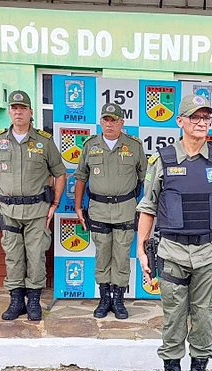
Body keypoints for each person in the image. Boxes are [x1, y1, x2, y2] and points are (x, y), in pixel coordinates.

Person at [136, 94, 212, 371]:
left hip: (209, 253)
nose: (202, 122)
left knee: (206, 319)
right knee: (173, 319)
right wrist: (141, 249)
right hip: (172, 253)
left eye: (206, 117)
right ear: (180, 121)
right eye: (195, 117)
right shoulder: (162, 161)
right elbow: (148, 207)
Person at [0, 90, 66, 321]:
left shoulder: (44, 142)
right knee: (13, 256)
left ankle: (34, 300)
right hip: (8, 211)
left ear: (30, 112)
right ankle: (16, 300)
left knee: (36, 256)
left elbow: (60, 173)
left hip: (37, 210)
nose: (18, 112)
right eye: (14, 108)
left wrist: (55, 203)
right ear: (9, 112)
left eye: (23, 108)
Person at [73, 103, 147, 319]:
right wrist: (78, 206)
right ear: (101, 122)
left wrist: (148, 210)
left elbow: (146, 178)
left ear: (122, 123)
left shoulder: (134, 146)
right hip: (98, 210)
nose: (109, 124)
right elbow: (80, 177)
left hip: (125, 209)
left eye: (114, 120)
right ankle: (104, 298)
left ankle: (119, 299)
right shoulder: (90, 145)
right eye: (106, 119)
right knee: (102, 255)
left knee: (122, 256)